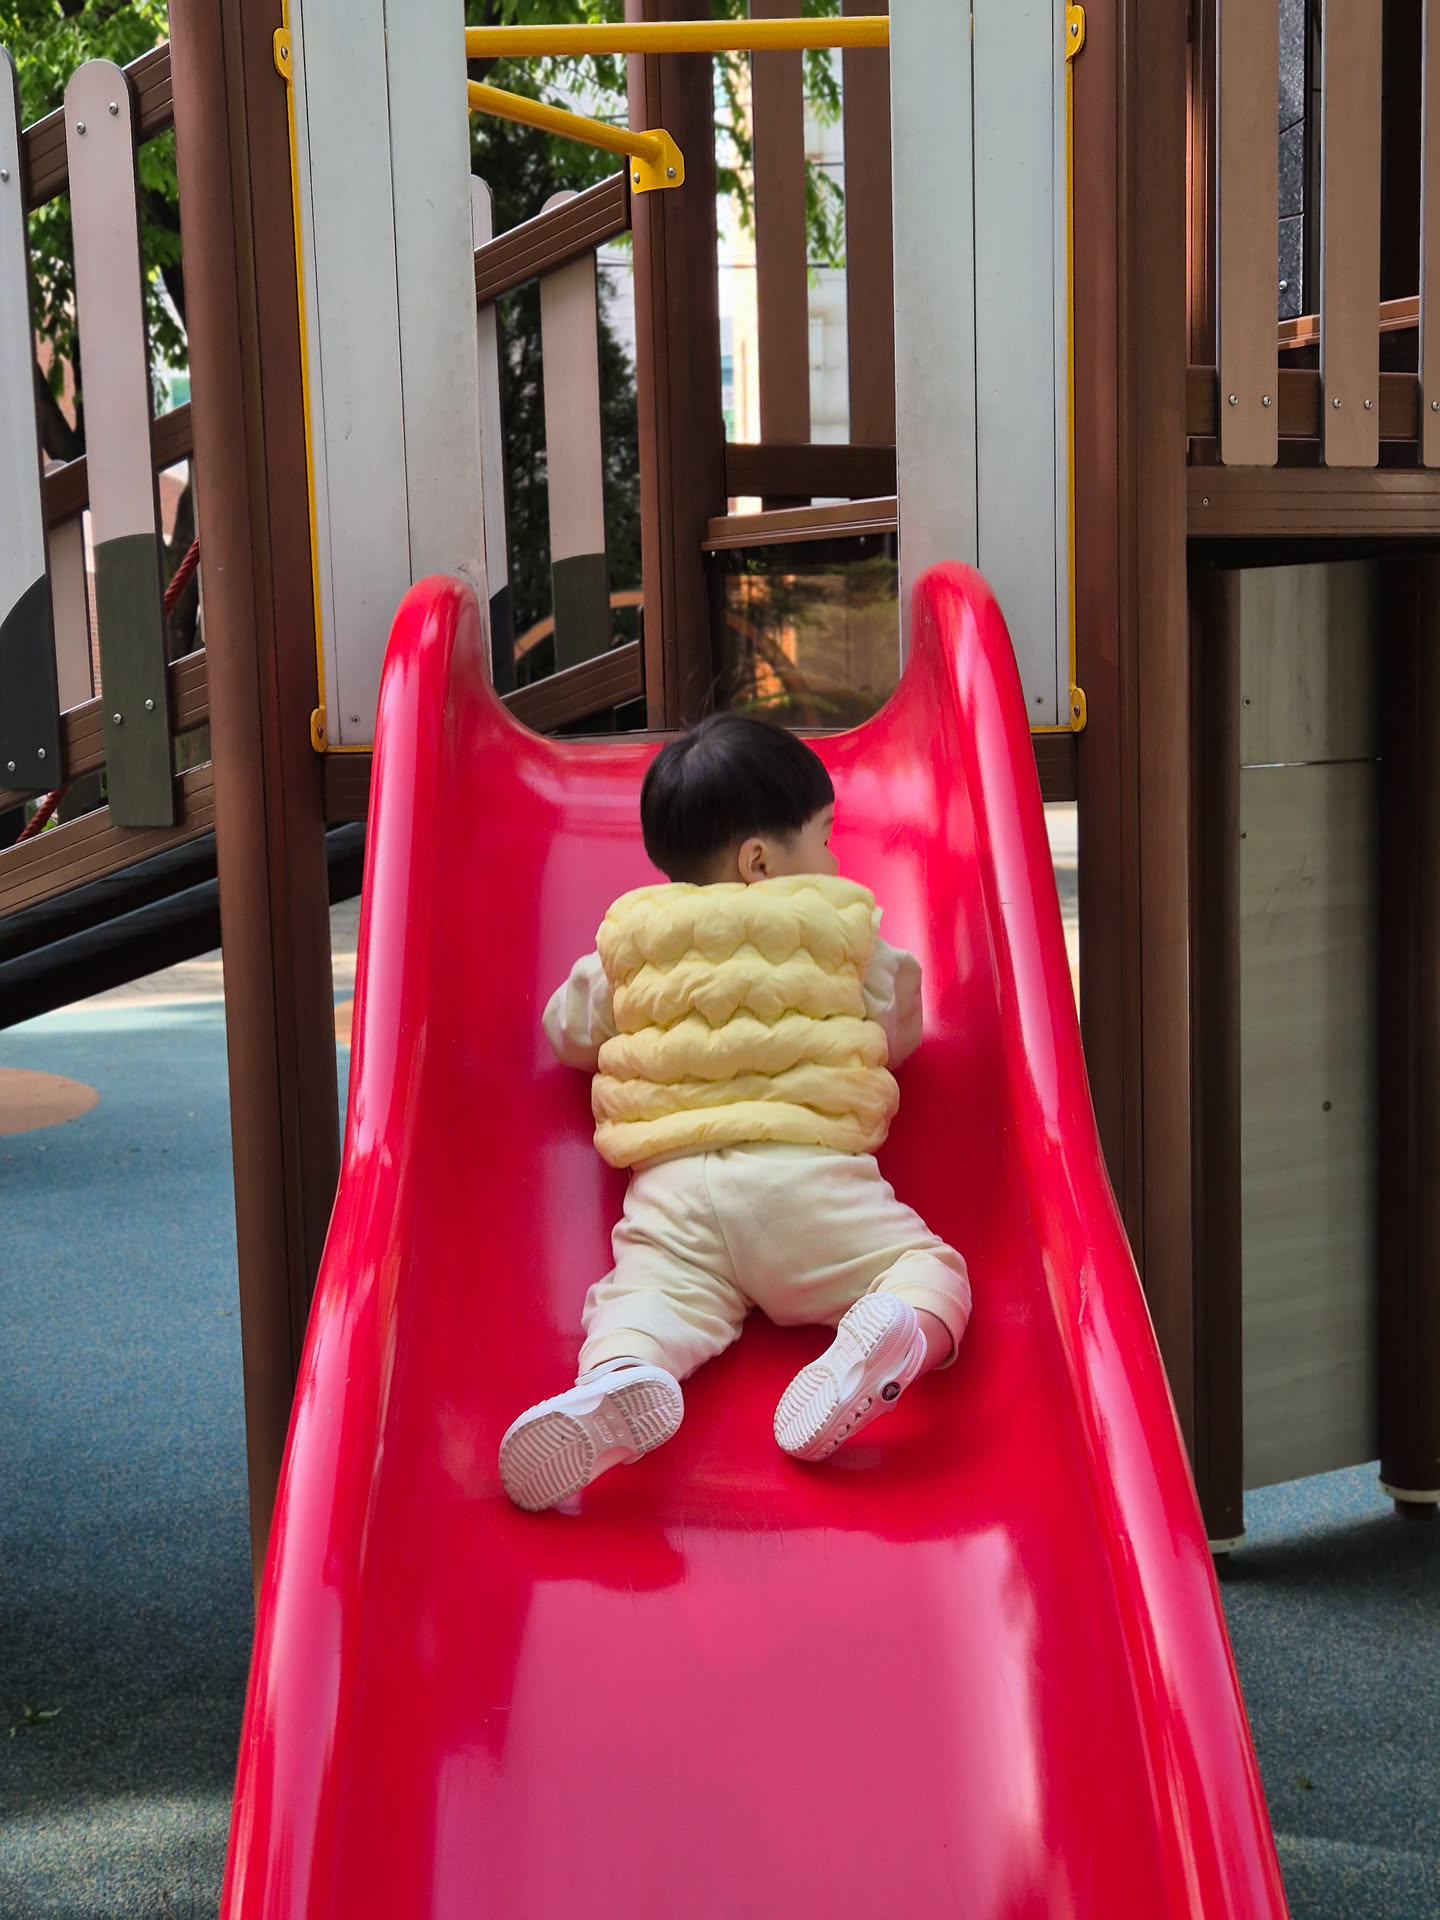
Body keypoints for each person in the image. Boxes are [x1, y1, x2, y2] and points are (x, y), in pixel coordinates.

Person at [498, 712, 972, 1511]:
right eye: (823, 838)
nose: (832, 858)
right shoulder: (840, 932)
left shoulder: (629, 948)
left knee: (641, 1304)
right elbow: (899, 1028)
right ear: (760, 860)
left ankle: (618, 1377)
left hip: (676, 1197)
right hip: (808, 1180)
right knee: (933, 1274)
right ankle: (893, 1330)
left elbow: (568, 1031)